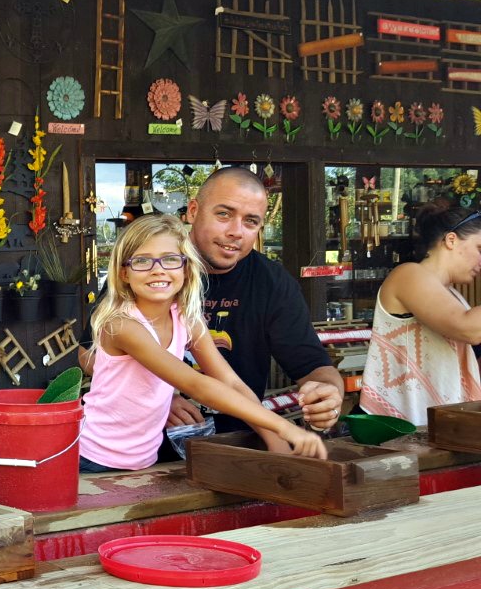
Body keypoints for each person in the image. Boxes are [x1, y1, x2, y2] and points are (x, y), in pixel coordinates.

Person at [78, 215, 326, 471]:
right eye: (142, 261)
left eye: (171, 259)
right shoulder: (121, 325)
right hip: (93, 457)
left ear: (186, 269)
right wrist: (284, 426)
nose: (158, 269)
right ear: (124, 273)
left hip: (142, 461)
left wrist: (277, 443)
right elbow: (195, 384)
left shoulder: (186, 317)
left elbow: (231, 382)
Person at [170, 167, 344, 435]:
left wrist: (328, 396)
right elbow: (94, 351)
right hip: (139, 450)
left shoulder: (271, 282)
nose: (236, 231)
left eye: (250, 221)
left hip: (239, 443)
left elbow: (313, 367)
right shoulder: (153, 266)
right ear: (193, 211)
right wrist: (155, 397)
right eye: (224, 214)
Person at [360, 203, 481, 425]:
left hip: (439, 421)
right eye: (479, 249)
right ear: (451, 240)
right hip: (402, 425)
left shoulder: (453, 295)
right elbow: (469, 328)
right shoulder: (408, 275)